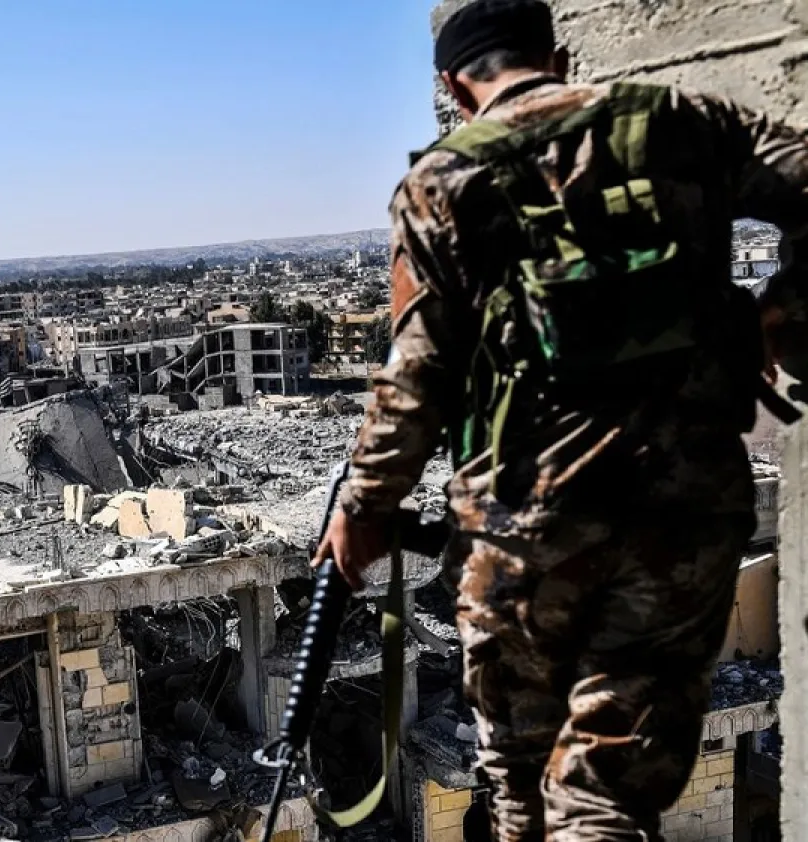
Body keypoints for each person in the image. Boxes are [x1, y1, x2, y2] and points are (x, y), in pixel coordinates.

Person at [312, 0, 808, 838]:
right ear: (562, 53)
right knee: (606, 796)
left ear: (452, 87)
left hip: (521, 526)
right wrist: (777, 313)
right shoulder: (681, 122)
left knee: (520, 796)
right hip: (679, 515)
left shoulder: (443, 181)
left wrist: (361, 511)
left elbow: (417, 373)